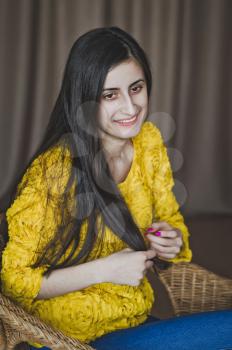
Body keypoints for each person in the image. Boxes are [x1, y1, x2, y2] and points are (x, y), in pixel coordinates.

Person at [1, 27, 231, 350]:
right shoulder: (53, 173)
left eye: (136, 88)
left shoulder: (148, 143)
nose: (130, 107)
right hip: (74, 338)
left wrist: (171, 240)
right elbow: (13, 281)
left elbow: (170, 219)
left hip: (132, 321)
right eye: (110, 95)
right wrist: (106, 270)